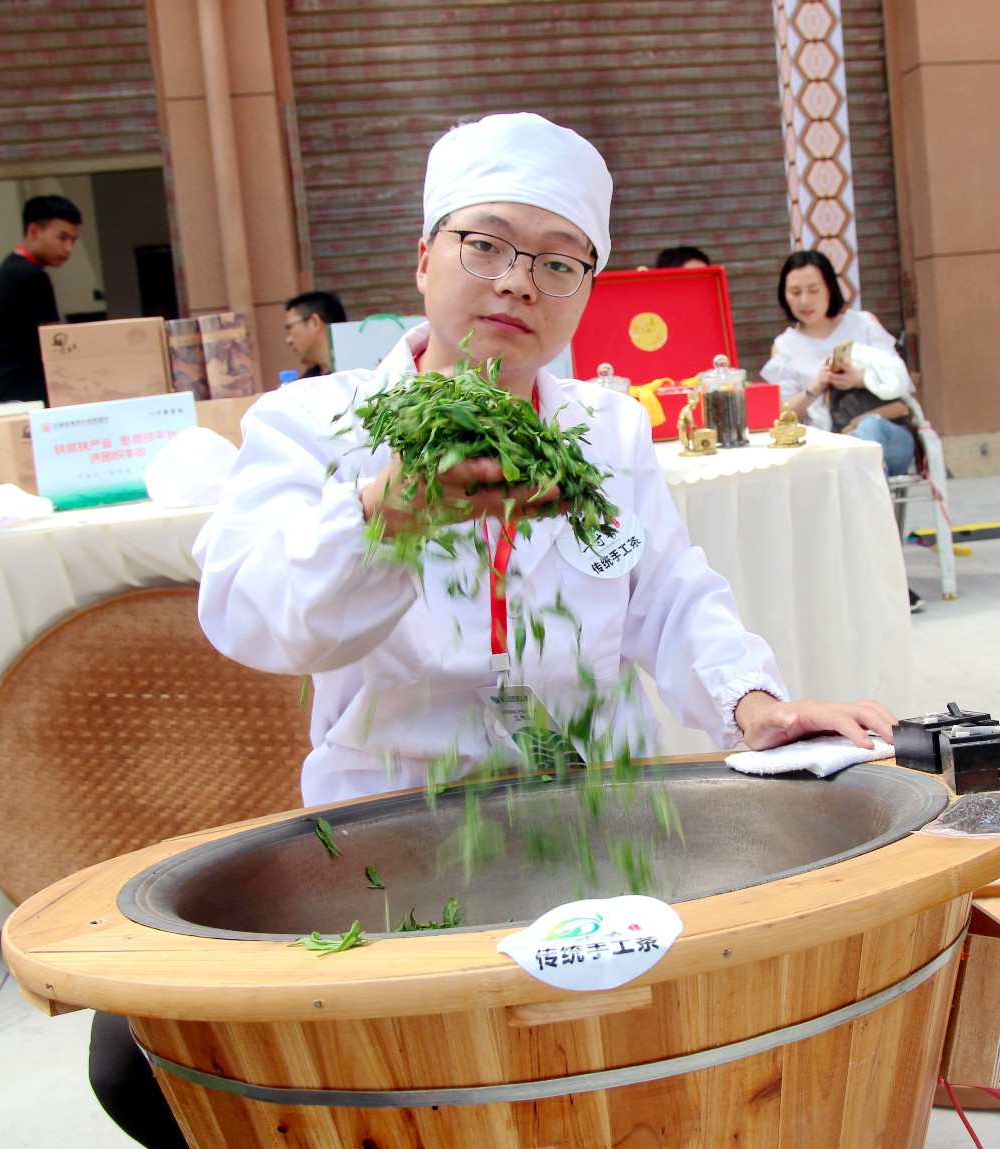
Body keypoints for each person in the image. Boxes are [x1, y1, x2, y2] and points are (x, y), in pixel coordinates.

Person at [89, 112, 898, 1148]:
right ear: (423, 258)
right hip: (389, 835)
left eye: (558, 262)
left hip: (590, 818)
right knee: (146, 1054)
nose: (518, 281)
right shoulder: (319, 429)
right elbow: (251, 615)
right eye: (487, 245)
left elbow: (666, 591)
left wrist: (753, 703)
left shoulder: (601, 430)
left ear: (586, 293)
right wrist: (385, 513)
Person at [760, 250, 924, 610]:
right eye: (795, 291)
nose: (804, 300)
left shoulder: (863, 324)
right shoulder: (786, 347)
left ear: (831, 289)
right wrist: (817, 386)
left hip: (887, 438)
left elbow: (904, 391)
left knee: (864, 441)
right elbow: (779, 413)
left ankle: (882, 580)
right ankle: (874, 579)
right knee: (846, 464)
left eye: (813, 290)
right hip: (831, 448)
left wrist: (861, 379)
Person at [0, 195, 82, 405]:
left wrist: (0, 352)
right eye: (62, 238)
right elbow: (57, 344)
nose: (68, 249)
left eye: (73, 241)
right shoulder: (32, 276)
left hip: (2, 395)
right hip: (26, 399)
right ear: (33, 231)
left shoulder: (9, 268)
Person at [282, 289, 347, 377]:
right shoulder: (306, 383)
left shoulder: (362, 375)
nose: (289, 340)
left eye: (290, 328)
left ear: (314, 322)